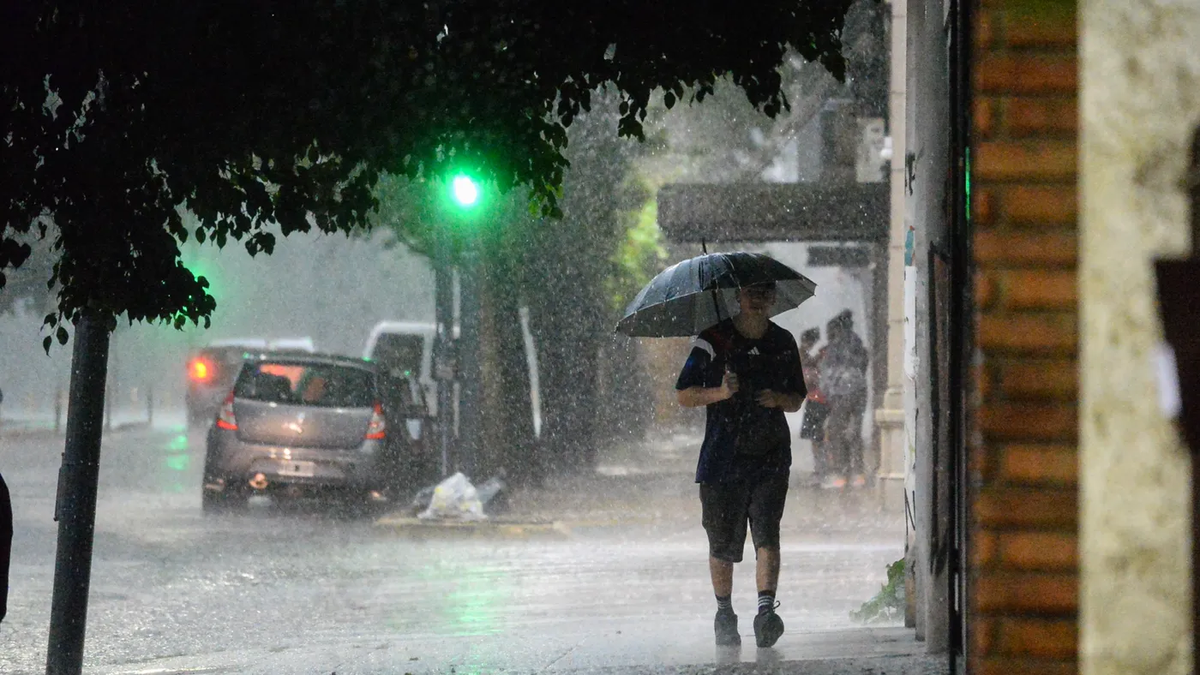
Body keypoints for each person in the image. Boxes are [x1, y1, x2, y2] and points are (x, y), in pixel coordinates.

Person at [675, 282, 807, 649]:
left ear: (773, 297)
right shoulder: (712, 341)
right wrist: (720, 392)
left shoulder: (783, 342)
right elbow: (684, 394)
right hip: (722, 458)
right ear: (738, 296)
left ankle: (766, 613)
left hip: (771, 455)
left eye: (764, 292)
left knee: (768, 532)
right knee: (722, 542)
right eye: (751, 291)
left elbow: (797, 398)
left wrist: (779, 398)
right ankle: (724, 613)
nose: (757, 298)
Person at [818, 310, 870, 489]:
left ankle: (842, 472)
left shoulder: (836, 346)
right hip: (859, 391)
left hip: (841, 392)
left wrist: (827, 392)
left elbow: (828, 372)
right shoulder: (858, 343)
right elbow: (863, 365)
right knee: (855, 431)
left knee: (836, 431)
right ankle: (858, 473)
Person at [797, 328, 832, 483]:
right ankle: (821, 469)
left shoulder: (807, 356)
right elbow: (808, 375)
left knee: (818, 436)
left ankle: (821, 469)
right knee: (819, 436)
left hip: (817, 399)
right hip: (818, 399)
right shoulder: (802, 355)